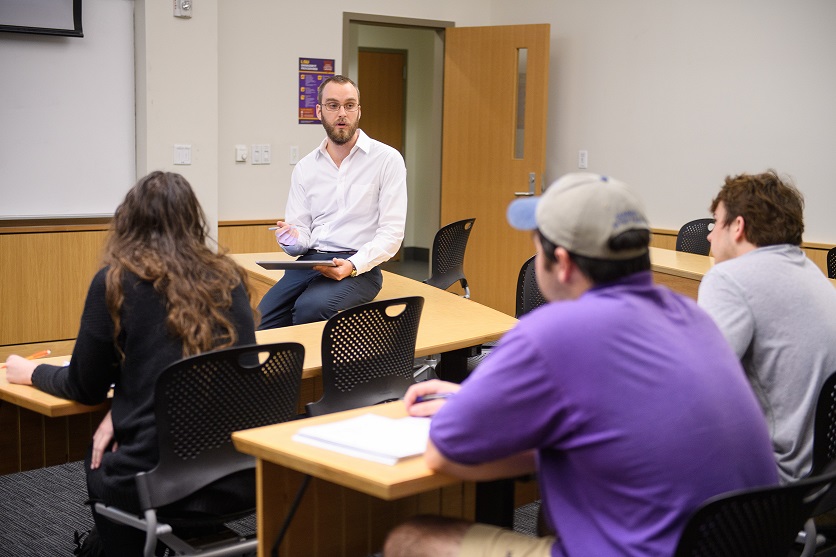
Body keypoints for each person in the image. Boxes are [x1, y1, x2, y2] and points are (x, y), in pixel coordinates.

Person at [383, 173, 778, 557]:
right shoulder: (690, 316)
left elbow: (443, 450)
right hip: (743, 543)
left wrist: (481, 411)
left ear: (563, 263)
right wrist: (481, 399)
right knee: (554, 515)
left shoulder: (552, 332)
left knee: (410, 539)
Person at [5, 171, 257, 557]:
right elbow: (227, 371)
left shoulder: (117, 281)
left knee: (103, 471)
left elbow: (84, 387)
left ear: (129, 222)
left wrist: (31, 372)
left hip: (154, 477)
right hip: (235, 473)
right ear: (194, 220)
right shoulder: (229, 279)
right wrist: (125, 403)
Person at [698, 169, 836, 483]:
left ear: (737, 226)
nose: (709, 235)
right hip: (823, 472)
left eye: (715, 222)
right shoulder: (812, 273)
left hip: (777, 479)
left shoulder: (729, 278)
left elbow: (698, 385)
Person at [257, 75, 407, 329]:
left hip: (360, 264)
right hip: (311, 260)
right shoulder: (306, 167)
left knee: (310, 310)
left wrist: (353, 264)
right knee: (260, 320)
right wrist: (291, 238)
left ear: (358, 111)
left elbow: (392, 233)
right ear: (319, 111)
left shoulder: (387, 160)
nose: (342, 113)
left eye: (349, 105)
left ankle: (318, 370)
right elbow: (301, 234)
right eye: (333, 105)